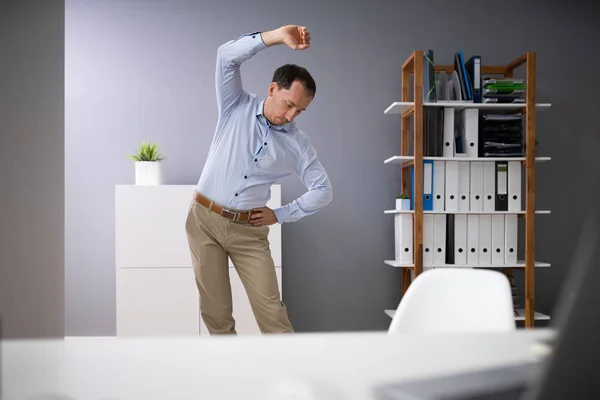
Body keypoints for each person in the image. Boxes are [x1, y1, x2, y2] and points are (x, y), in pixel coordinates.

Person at [185, 25, 333, 335]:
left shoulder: (298, 144)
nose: (291, 116)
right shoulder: (235, 106)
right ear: (272, 90)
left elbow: (323, 191)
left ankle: (290, 380)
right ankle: (232, 380)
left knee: (272, 316)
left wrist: (279, 214)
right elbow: (226, 56)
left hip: (248, 233)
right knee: (217, 315)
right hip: (204, 221)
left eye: (300, 111)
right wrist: (277, 36)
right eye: (288, 105)